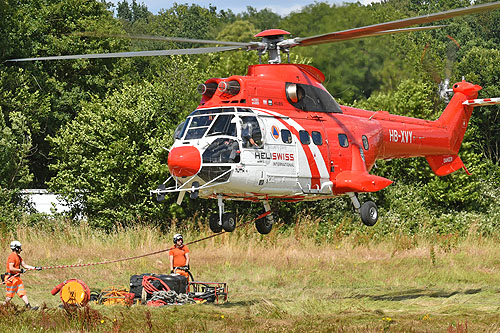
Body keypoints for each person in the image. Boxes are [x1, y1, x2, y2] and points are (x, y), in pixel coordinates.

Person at [4, 240, 42, 309]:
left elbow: (25, 265)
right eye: (19, 248)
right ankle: (2, 307)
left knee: (22, 292)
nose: (20, 249)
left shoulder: (18, 257)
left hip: (17, 278)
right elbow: (11, 268)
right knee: (9, 296)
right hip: (11, 278)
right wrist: (20, 270)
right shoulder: (12, 256)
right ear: (16, 248)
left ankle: (28, 306)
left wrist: (35, 268)